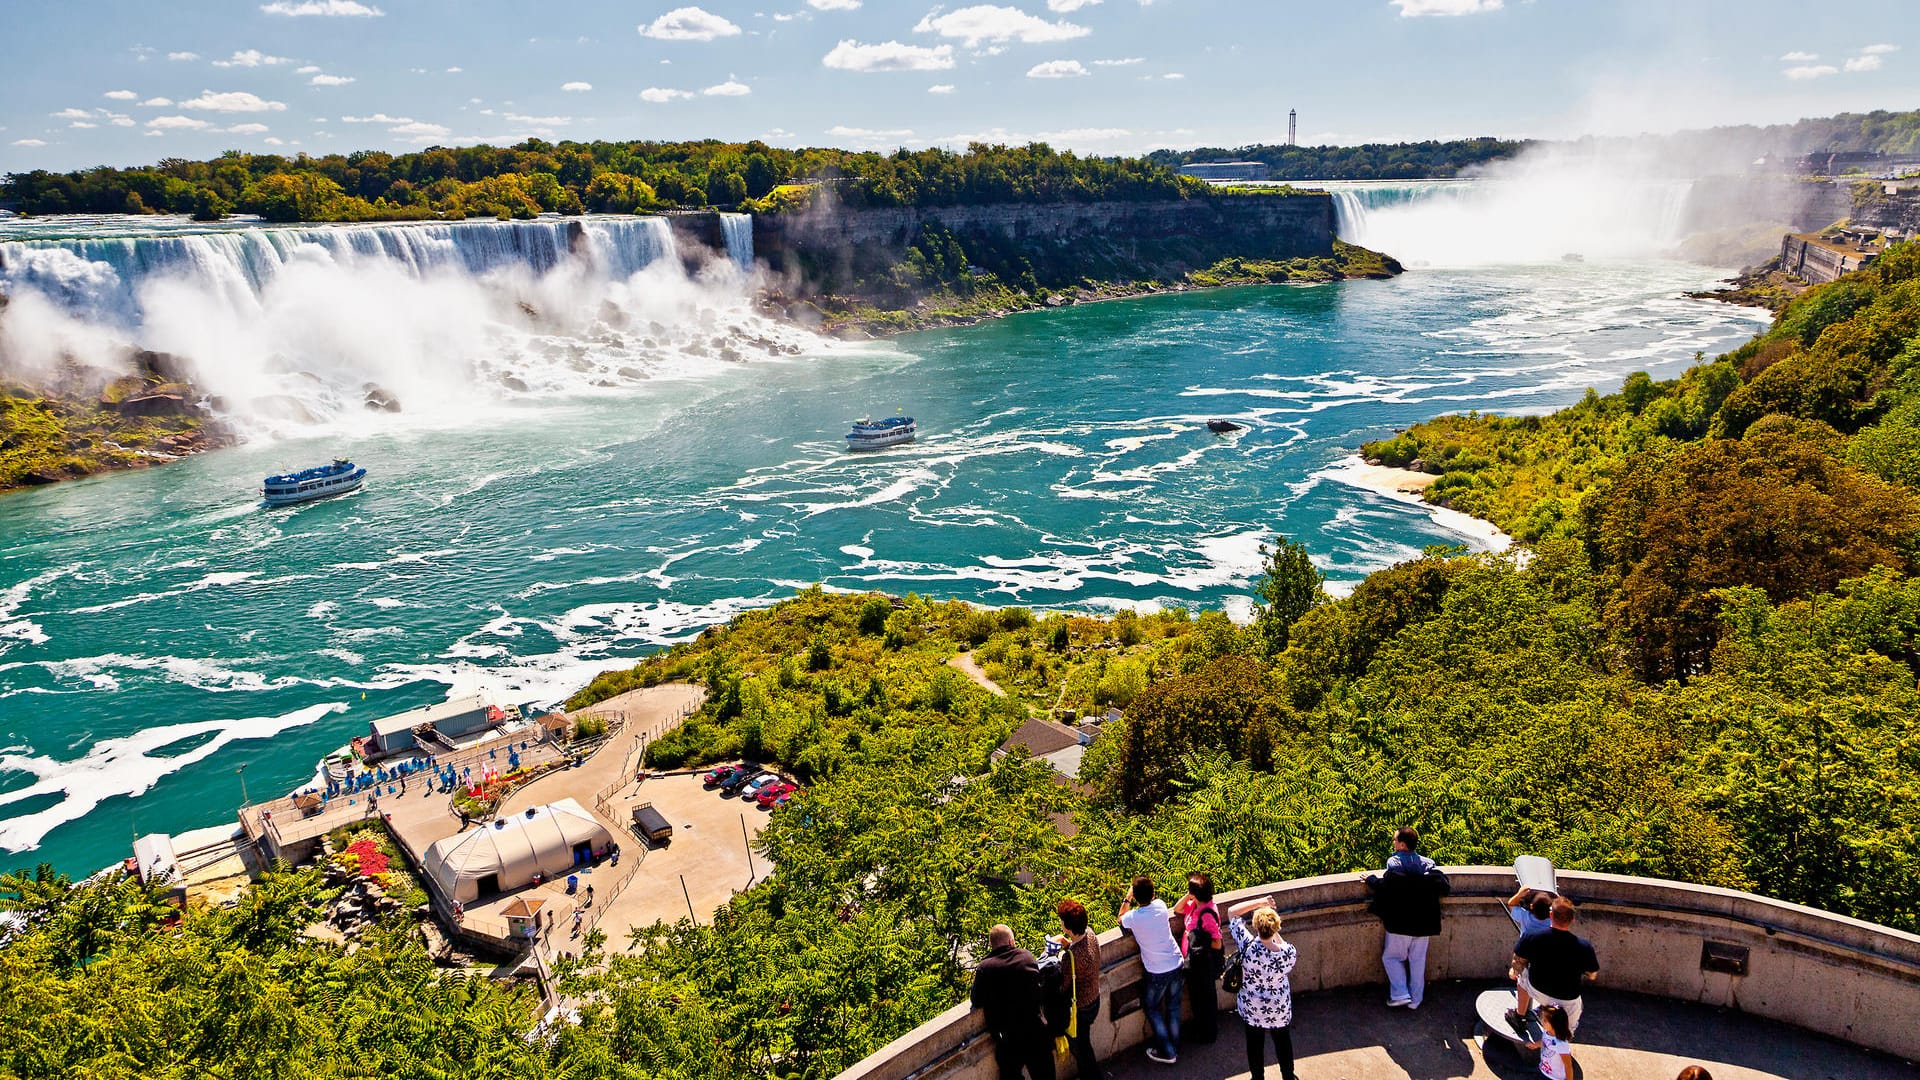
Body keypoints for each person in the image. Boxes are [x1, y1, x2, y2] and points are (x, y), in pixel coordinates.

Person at [1364, 827, 1451, 1010]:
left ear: (1402, 844)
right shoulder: (1428, 864)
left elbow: (1388, 886)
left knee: (1392, 957)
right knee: (1418, 960)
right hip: (1425, 922)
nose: (1393, 843)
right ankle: (1416, 999)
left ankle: (1400, 993)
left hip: (1400, 922)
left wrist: (1371, 879)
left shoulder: (1394, 862)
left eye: (1395, 840)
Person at [1226, 894, 1299, 1080]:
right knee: (1283, 1043)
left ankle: (1257, 1077)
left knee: (1254, 1044)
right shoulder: (1288, 953)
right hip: (1279, 1007)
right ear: (1276, 927)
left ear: (1256, 926)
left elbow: (1231, 912)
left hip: (1252, 1007)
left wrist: (1261, 903)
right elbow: (1280, 944)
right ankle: (1288, 1076)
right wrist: (1272, 922)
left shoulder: (1247, 945)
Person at [970, 924, 1057, 1080]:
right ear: (1011, 942)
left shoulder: (984, 968)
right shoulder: (1026, 957)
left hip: (1008, 1038)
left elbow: (976, 1000)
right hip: (1035, 1030)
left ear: (993, 945)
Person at [1509, 897, 1600, 1035]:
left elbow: (1518, 962)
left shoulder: (1531, 936)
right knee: (1564, 1034)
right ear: (1572, 919)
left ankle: (1519, 1015)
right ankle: (1556, 1047)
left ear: (1551, 915)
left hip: (1537, 989)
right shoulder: (1584, 947)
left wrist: (1515, 972)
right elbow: (1592, 975)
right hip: (1567, 1000)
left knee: (1522, 977)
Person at [1118, 876, 1185, 1065]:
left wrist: (1127, 898)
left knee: (1151, 1007)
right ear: (1154, 894)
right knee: (1173, 1006)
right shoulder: (1161, 906)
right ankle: (1175, 1044)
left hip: (1157, 971)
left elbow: (1120, 918)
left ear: (1136, 897)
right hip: (1176, 962)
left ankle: (1168, 1051)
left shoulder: (1134, 917)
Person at [1052, 900, 1104, 1080]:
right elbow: (1080, 951)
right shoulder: (1090, 934)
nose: (1060, 923)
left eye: (1061, 921)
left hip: (1080, 1006)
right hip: (1094, 997)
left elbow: (1063, 986)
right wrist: (1067, 944)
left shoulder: (1070, 959)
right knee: (1084, 1041)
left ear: (1068, 926)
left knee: (1081, 1047)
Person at [1173, 872, 1223, 1044]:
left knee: (1205, 1001)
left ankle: (1208, 1035)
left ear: (1197, 894)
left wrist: (1203, 956)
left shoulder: (1207, 913)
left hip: (1201, 966)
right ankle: (1202, 1031)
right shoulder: (1196, 905)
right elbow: (1177, 909)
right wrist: (1190, 894)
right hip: (1193, 963)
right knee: (1197, 1000)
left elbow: (1217, 941)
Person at [1531, 1004, 1574, 1079]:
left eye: (1545, 1020)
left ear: (1555, 1023)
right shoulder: (1546, 1031)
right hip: (1543, 1071)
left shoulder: (1561, 1044)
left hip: (1555, 1078)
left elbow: (1568, 1066)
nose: (1541, 1021)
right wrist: (1535, 1045)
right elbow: (1545, 1042)